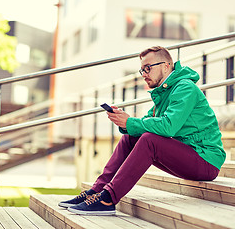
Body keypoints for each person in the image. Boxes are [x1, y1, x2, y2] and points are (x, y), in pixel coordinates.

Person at [58, 46, 226, 215]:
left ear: (166, 66)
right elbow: (145, 123)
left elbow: (168, 126)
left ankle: (107, 199)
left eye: (148, 68)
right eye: (142, 70)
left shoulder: (185, 88)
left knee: (149, 140)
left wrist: (130, 122)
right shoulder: (165, 93)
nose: (144, 74)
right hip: (188, 154)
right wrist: (125, 122)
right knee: (132, 136)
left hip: (206, 160)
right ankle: (96, 192)